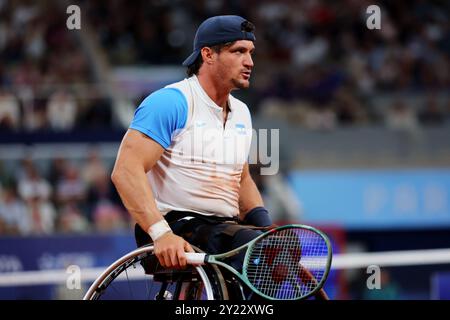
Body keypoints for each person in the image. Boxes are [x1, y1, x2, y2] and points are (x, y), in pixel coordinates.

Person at [111, 15, 273, 297]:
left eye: (250, 53)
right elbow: (125, 171)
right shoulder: (171, 102)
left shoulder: (242, 113)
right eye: (238, 51)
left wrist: (267, 227)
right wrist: (161, 233)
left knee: (272, 248)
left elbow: (241, 177)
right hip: (176, 225)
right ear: (208, 54)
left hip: (224, 228)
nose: (250, 62)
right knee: (250, 248)